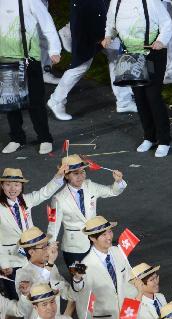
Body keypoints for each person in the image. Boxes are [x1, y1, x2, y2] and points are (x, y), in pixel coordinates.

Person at [102, 0, 172, 157]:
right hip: (131, 55)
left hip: (152, 54)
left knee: (153, 96)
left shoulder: (151, 1)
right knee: (140, 97)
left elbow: (167, 23)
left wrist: (161, 40)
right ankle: (149, 137)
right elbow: (111, 22)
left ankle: (164, 140)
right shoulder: (116, 2)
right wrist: (108, 36)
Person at [46, 0, 137, 120]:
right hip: (88, 21)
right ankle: (56, 100)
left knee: (117, 54)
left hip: (102, 16)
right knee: (81, 65)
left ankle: (124, 101)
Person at [1, 0, 60, 155]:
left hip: (29, 59)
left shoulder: (30, 1)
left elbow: (47, 24)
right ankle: (17, 138)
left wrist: (55, 49)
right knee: (11, 101)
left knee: (35, 101)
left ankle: (45, 138)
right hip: (5, 58)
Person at [47, 155, 127, 267]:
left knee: (99, 273)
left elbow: (111, 191)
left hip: (95, 242)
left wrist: (119, 181)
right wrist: (50, 245)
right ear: (66, 175)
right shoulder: (58, 199)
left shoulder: (90, 186)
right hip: (74, 248)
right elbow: (53, 226)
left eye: (82, 172)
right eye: (76, 173)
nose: (80, 176)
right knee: (79, 276)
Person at [0, 166, 64, 298]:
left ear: (21, 186)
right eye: (8, 184)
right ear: (2, 186)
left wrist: (58, 176)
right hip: (12, 259)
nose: (12, 189)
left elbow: (44, 193)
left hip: (32, 255)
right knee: (16, 294)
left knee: (36, 289)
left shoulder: (26, 200)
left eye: (16, 185)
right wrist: (3, 263)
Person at [15, 229, 76, 319]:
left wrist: (77, 279)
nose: (48, 250)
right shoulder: (22, 274)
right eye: (44, 247)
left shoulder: (53, 267)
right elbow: (39, 290)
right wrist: (50, 263)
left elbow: (67, 292)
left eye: (48, 245)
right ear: (31, 252)